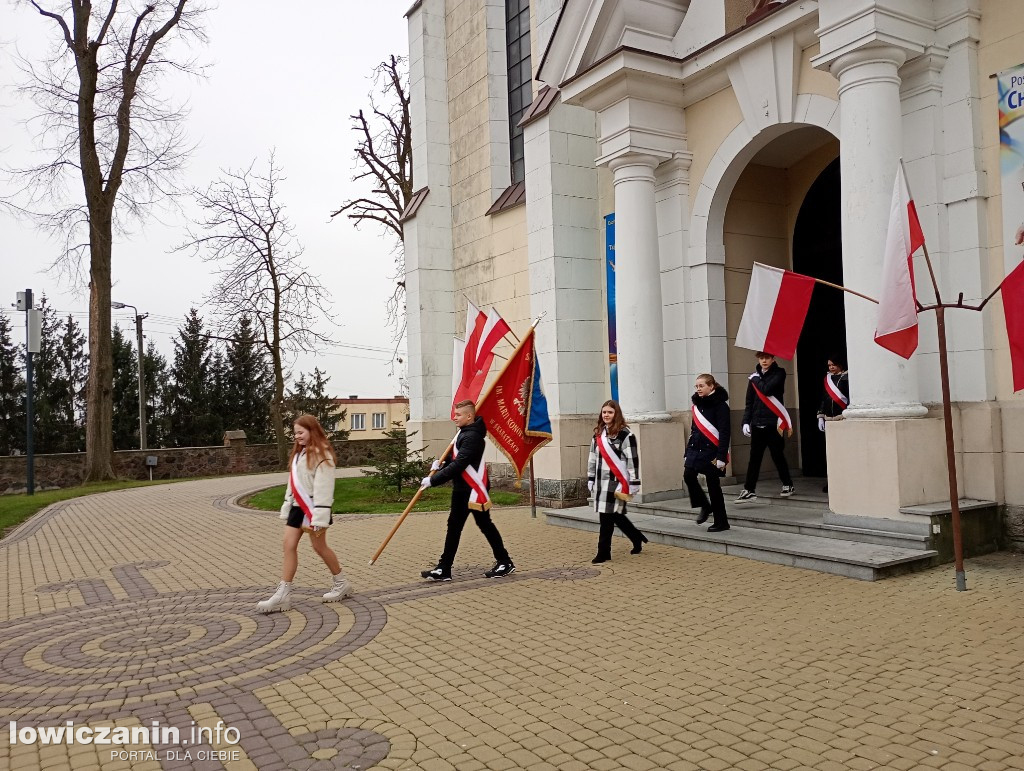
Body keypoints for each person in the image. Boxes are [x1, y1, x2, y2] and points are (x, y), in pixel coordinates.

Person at [257, 414, 352, 613]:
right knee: (288, 545)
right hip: (296, 507)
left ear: (312, 431)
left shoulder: (322, 455)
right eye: (295, 433)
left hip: (314, 508)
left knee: (319, 547)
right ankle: (283, 594)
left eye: (300, 432)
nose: (297, 437)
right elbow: (293, 483)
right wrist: (287, 503)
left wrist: (318, 517)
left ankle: (341, 583)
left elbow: (324, 489)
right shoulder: (299, 454)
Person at [419, 400, 515, 581]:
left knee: (484, 525)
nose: (454, 418)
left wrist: (433, 480)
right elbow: (454, 458)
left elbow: (460, 464)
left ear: (469, 416)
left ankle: (505, 562)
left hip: (473, 491)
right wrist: (441, 464)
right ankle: (444, 568)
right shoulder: (463, 433)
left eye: (458, 415)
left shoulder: (472, 437)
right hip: (462, 489)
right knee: (454, 527)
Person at [587, 399, 647, 563]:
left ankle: (603, 552)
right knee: (615, 516)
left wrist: (634, 481)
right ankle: (636, 537)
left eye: (610, 412)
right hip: (601, 482)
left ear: (616, 414)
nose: (606, 415)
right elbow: (592, 458)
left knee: (606, 518)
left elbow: (632, 460)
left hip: (618, 482)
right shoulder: (599, 433)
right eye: (604, 412)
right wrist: (591, 477)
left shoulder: (626, 434)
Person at [735, 351, 794, 504]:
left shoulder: (779, 373)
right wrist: (746, 422)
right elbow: (749, 402)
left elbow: (767, 390)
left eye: (767, 358)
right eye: (761, 358)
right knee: (754, 458)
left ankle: (788, 484)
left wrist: (756, 379)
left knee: (777, 455)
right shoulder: (753, 377)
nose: (764, 361)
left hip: (773, 423)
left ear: (773, 359)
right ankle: (749, 490)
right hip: (757, 423)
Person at [683, 374, 732, 532]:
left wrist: (721, 456)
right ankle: (705, 505)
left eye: (701, 386)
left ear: (711, 386)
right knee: (688, 476)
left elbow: (725, 432)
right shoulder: (697, 405)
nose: (698, 389)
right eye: (696, 386)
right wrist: (687, 450)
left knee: (713, 486)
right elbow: (694, 429)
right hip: (695, 449)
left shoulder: (721, 406)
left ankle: (721, 522)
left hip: (712, 451)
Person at [816, 355, 849, 493]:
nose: (831, 367)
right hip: (830, 419)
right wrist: (820, 416)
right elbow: (824, 399)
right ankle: (832, 482)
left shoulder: (847, 378)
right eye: (829, 365)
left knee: (845, 454)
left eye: (833, 365)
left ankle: (846, 481)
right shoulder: (827, 379)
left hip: (843, 418)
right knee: (832, 455)